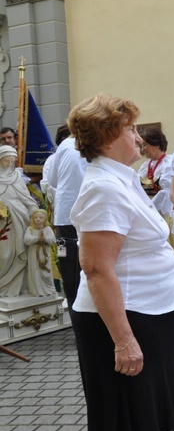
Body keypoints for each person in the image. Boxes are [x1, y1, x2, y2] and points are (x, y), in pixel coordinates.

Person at [68, 93, 174, 431]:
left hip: (146, 315)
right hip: (123, 321)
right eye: (131, 129)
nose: (140, 138)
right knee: (132, 428)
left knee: (146, 422)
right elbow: (95, 269)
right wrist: (124, 342)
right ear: (107, 137)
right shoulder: (104, 188)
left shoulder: (122, 178)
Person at [46, 123, 88, 307]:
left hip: (64, 217)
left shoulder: (64, 146)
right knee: (86, 266)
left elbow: (52, 180)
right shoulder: (94, 143)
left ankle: (73, 305)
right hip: (86, 214)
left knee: (67, 263)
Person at [0, 145, 39, 297]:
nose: (8, 164)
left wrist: (35, 211)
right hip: (4, 224)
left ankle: (19, 287)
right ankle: (3, 287)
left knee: (21, 254)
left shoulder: (17, 177)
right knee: (4, 255)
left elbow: (27, 200)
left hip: (20, 220)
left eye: (11, 161)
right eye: (5, 161)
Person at [137, 127, 173, 216]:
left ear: (156, 145)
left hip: (164, 214)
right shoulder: (145, 167)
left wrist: (149, 209)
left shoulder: (169, 164)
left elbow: (167, 194)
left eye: (145, 145)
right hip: (148, 213)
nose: (143, 149)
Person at [24, 208, 57, 296]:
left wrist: (44, 238)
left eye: (41, 217)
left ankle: (49, 289)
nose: (38, 219)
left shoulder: (48, 229)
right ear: (32, 219)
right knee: (35, 271)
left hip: (44, 253)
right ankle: (37, 291)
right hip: (34, 253)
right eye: (36, 217)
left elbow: (53, 240)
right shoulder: (30, 229)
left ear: (45, 219)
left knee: (46, 271)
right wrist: (37, 238)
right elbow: (26, 240)